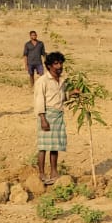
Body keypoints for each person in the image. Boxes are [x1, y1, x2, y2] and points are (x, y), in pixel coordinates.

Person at [34, 52, 69, 185]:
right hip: (47, 115)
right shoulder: (42, 81)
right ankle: (42, 173)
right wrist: (43, 118)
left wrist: (72, 94)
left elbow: (61, 97)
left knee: (55, 146)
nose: (59, 66)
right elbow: (39, 100)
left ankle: (54, 171)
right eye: (56, 64)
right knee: (43, 146)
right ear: (49, 66)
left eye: (60, 63)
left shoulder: (61, 81)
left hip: (58, 115)